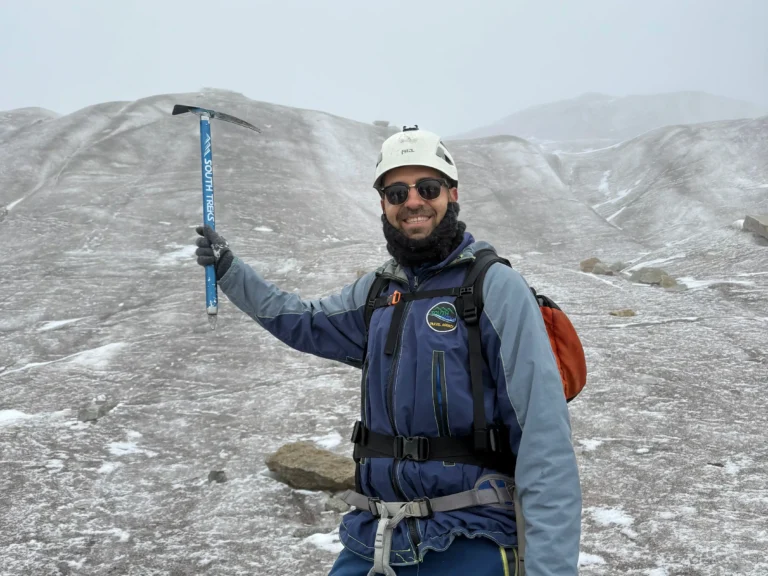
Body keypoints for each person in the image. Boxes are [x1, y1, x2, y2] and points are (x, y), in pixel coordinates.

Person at [195, 126, 581, 575]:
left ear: (452, 195)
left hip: (471, 533)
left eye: (428, 187)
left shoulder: (495, 289)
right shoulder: (378, 292)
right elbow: (299, 320)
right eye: (397, 192)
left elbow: (544, 442)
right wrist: (229, 270)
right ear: (383, 204)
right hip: (374, 536)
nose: (412, 201)